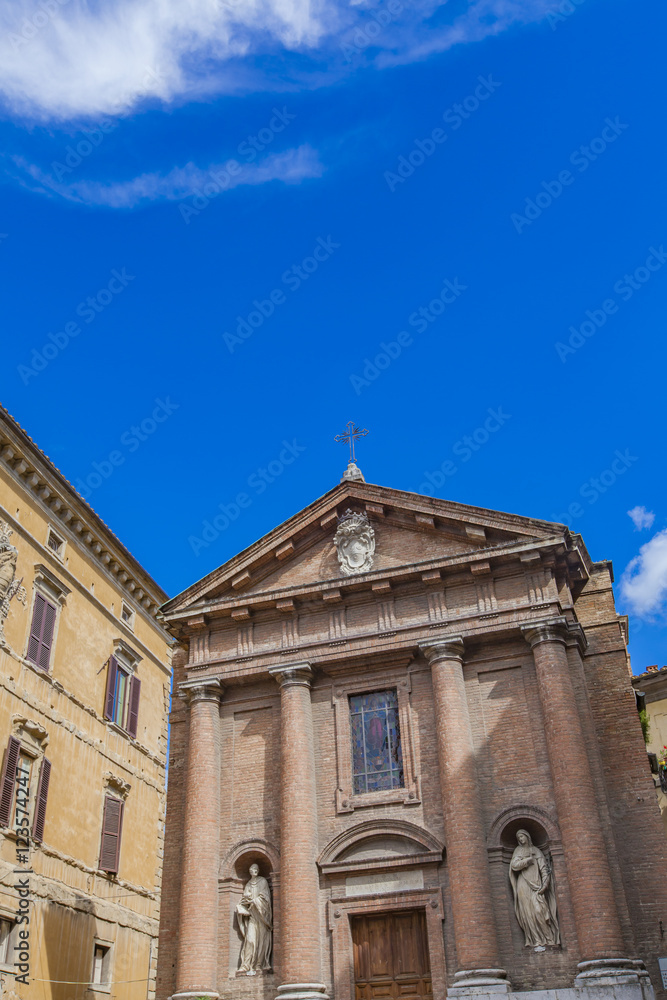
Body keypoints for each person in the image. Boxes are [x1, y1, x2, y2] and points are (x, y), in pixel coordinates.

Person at [509, 829, 560, 948]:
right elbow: (514, 866)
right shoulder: (518, 851)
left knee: (539, 911)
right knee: (527, 913)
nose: (521, 839)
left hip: (537, 885)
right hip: (523, 884)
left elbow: (544, 870)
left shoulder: (537, 851)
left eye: (522, 836)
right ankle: (535, 940)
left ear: (527, 837)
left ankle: (548, 939)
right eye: (519, 837)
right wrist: (527, 861)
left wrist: (544, 886)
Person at [236, 863, 272, 973]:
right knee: (250, 940)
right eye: (252, 868)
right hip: (252, 915)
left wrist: (254, 901)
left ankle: (259, 965)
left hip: (261, 917)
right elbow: (244, 898)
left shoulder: (263, 881)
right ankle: (246, 965)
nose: (254, 870)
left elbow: (265, 897)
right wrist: (245, 903)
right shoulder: (248, 884)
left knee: (261, 941)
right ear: (250, 871)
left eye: (256, 868)